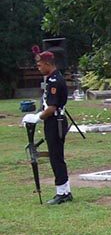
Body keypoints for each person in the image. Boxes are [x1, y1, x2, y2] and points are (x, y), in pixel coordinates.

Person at [21, 47, 72, 204]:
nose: (38, 68)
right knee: (55, 157)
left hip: (55, 122)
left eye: (40, 65)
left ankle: (63, 193)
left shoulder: (55, 81)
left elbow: (51, 107)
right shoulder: (50, 80)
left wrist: (37, 118)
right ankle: (64, 190)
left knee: (56, 157)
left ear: (48, 63)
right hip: (52, 122)